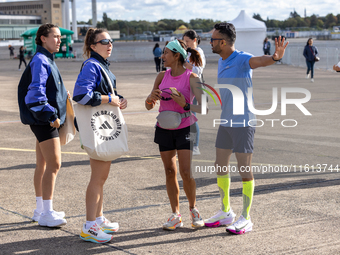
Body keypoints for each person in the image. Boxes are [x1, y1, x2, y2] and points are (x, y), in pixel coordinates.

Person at [204, 23, 288, 235]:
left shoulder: (241, 58)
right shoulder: (221, 60)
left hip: (244, 123)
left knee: (244, 169)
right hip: (226, 122)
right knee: (220, 165)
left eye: (213, 39)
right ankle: (226, 212)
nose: (210, 42)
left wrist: (275, 57)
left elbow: (259, 61)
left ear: (223, 42)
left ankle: (246, 218)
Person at [73, 28, 128, 243]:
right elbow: (81, 94)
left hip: (102, 125)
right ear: (93, 46)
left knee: (101, 178)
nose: (109, 44)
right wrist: (108, 100)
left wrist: (118, 98)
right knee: (98, 178)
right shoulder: (92, 65)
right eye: (104, 41)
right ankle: (89, 226)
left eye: (111, 40)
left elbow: (104, 92)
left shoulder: (100, 65)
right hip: (100, 127)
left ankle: (98, 218)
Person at [145, 39, 206, 230]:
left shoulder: (192, 77)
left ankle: (193, 209)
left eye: (166, 53)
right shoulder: (161, 76)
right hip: (164, 128)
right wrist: (149, 99)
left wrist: (185, 104)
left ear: (176, 55)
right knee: (170, 171)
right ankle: (175, 214)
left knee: (186, 172)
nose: (163, 57)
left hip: (186, 128)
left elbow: (203, 107)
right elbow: (148, 105)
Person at [17, 23, 68, 227]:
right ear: (43, 38)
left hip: (39, 119)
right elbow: (35, 94)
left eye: (59, 37)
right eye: (55, 36)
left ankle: (40, 209)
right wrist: (50, 114)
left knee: (43, 164)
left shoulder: (44, 58)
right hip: (43, 119)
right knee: (54, 164)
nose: (59, 40)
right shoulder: (41, 60)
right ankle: (47, 213)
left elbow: (48, 89)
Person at [183, 30, 206, 156]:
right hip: (185, 87)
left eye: (187, 41)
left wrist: (186, 65)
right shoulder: (186, 52)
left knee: (191, 115)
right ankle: (186, 143)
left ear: (195, 40)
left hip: (195, 87)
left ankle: (195, 145)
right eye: (184, 41)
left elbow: (199, 70)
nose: (185, 44)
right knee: (185, 115)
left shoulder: (199, 52)